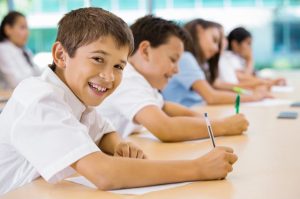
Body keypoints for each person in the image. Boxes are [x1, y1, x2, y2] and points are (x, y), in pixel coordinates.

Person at [0, 8, 238, 195]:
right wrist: (197, 168)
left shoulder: (78, 100)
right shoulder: (40, 99)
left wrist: (117, 145)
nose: (108, 76)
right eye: (97, 59)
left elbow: (104, 131)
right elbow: (104, 174)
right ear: (61, 55)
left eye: (118, 66)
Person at [98, 15, 248, 142]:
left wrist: (206, 119)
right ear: (145, 51)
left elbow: (164, 106)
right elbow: (165, 128)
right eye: (173, 59)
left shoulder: (141, 81)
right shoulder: (127, 79)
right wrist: (224, 126)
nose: (176, 70)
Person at [162, 19, 271, 107]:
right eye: (214, 40)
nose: (216, 49)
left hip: (198, 110)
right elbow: (211, 97)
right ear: (199, 30)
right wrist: (253, 97)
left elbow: (220, 87)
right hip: (191, 113)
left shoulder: (197, 62)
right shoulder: (186, 58)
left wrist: (249, 92)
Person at [219, 27, 285, 87]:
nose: (250, 47)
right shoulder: (229, 57)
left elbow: (250, 77)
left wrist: (266, 81)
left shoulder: (239, 58)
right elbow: (243, 79)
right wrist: (250, 60)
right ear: (235, 44)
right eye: (248, 43)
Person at [0, 11, 40, 89]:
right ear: (8, 29)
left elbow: (37, 71)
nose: (27, 32)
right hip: (10, 96)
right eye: (22, 27)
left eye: (27, 28)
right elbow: (16, 82)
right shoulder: (2, 49)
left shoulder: (25, 50)